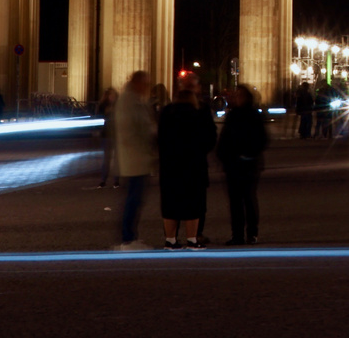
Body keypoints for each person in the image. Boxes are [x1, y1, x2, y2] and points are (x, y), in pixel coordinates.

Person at [157, 81, 216, 249]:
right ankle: (192, 239)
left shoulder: (166, 112)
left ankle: (170, 239)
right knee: (194, 203)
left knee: (170, 203)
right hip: (194, 164)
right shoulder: (199, 113)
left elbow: (159, 138)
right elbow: (210, 138)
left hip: (170, 165)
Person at [217, 84, 269, 245]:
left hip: (248, 163)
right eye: (236, 95)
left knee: (248, 199)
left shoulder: (253, 115)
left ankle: (252, 233)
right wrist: (223, 156)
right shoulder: (232, 115)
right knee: (235, 202)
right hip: (233, 164)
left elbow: (262, 139)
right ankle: (237, 234)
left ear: (247, 97)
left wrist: (249, 154)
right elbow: (224, 140)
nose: (236, 97)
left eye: (240, 95)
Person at [111, 71, 156, 250]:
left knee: (135, 199)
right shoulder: (129, 101)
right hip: (135, 159)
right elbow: (132, 130)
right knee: (133, 200)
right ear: (137, 83)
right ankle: (128, 238)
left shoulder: (133, 100)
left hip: (138, 159)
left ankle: (131, 236)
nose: (147, 88)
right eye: (145, 84)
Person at [92, 87, 119, 189]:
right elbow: (99, 118)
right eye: (110, 95)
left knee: (117, 159)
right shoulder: (103, 106)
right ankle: (103, 180)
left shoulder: (118, 106)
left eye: (113, 95)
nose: (112, 97)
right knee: (106, 159)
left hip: (116, 135)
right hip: (106, 134)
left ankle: (116, 181)